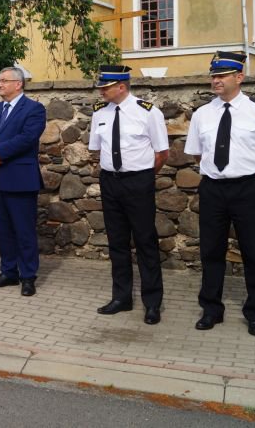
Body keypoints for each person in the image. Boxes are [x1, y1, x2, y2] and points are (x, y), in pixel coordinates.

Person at [184, 51, 255, 337]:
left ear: (239, 77)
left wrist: (252, 173)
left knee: (253, 251)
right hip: (213, 188)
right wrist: (219, 171)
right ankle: (211, 309)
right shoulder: (202, 114)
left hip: (247, 188)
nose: (215, 80)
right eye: (213, 76)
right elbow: (197, 154)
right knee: (210, 250)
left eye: (222, 75)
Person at [88, 65, 169, 325]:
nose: (101, 91)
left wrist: (143, 177)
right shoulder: (99, 112)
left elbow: (162, 153)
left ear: (121, 86)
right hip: (110, 182)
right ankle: (121, 297)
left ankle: (152, 302)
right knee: (117, 241)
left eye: (106, 87)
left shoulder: (148, 112)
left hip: (138, 181)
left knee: (145, 241)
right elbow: (96, 148)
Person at [0, 67, 46, 296]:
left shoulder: (34, 109)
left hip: (20, 179)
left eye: (4, 80)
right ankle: (8, 272)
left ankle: (28, 276)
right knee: (3, 230)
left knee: (24, 231)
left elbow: (27, 138)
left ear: (18, 84)